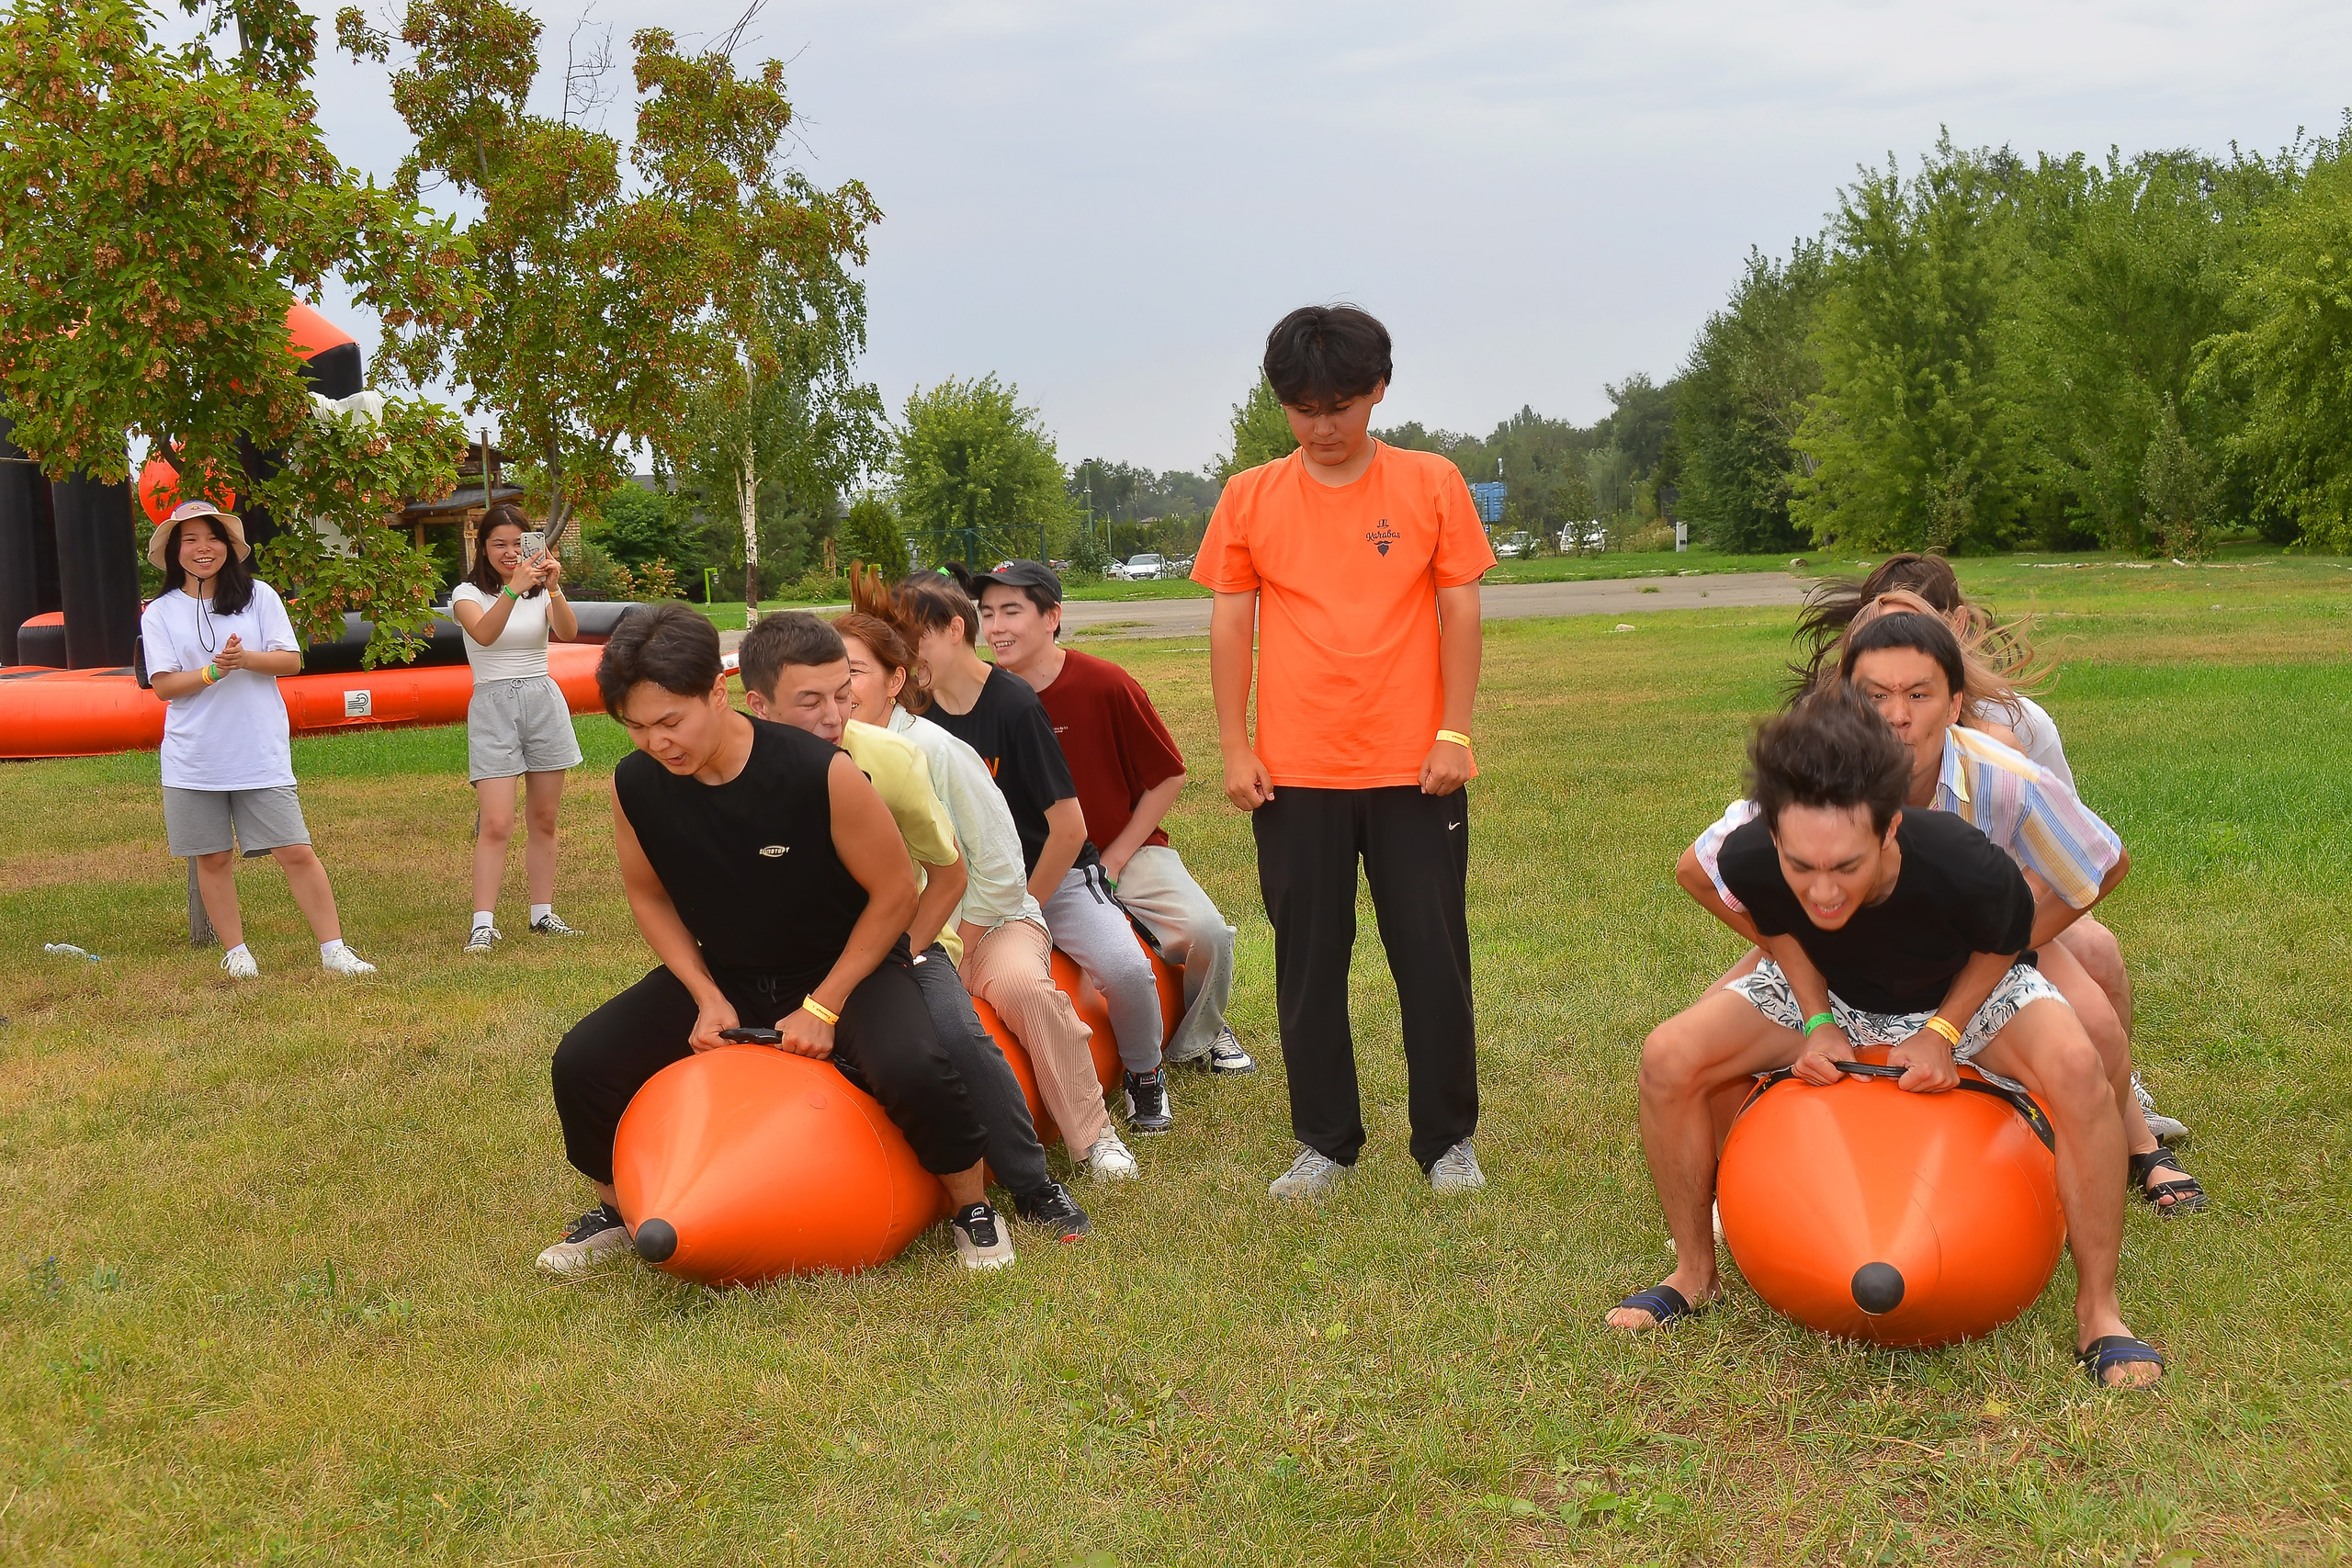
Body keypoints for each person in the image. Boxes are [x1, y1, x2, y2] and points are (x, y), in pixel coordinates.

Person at [1613, 685, 2165, 1390]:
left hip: (1961, 988)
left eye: (1846, 866)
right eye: (1800, 865)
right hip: (1834, 990)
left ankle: (2099, 1312)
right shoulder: (1755, 854)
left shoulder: (1963, 860)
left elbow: (2004, 944)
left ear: (1891, 829)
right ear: (1777, 836)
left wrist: (1943, 1031)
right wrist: (1815, 1018)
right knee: (1668, 1057)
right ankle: (1695, 1273)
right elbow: (1775, 916)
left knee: (2079, 1069)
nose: (1822, 891)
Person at [537, 604, 1011, 1274]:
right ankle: (618, 1210)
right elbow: (648, 894)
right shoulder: (635, 783)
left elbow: (897, 893)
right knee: (583, 1061)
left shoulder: (818, 770)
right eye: (637, 728)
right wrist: (703, 993)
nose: (656, 742)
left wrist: (824, 1004)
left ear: (717, 692)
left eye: (671, 721)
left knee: (913, 1065)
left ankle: (971, 1208)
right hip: (728, 970)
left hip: (848, 965)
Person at [1687, 610, 2204, 1215]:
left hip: (1978, 939)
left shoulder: (2001, 776)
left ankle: (2129, 1150)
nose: (1897, 715)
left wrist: (2012, 943)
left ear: (1954, 703)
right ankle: (1741, 1187)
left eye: (1918, 695)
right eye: (1875, 696)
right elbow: (1701, 870)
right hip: (1843, 937)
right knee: (1700, 1034)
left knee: (2094, 1025)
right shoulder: (1816, 780)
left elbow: (2101, 861)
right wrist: (1804, 949)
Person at [1193, 303, 1493, 1199]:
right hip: (1294, 776)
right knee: (1308, 965)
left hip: (1415, 770)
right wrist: (1234, 746)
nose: (1322, 426)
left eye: (1340, 404)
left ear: (1377, 392)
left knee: (1432, 959)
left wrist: (1454, 731)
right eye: (1303, 407)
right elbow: (1229, 619)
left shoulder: (1430, 482)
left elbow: (1460, 607)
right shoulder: (1250, 495)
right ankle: (1324, 1141)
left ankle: (1448, 1141)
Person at [1795, 556, 2184, 1142]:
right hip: (1861, 920)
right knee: (1739, 999)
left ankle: (2131, 1127)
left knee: (2097, 968)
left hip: (1999, 906)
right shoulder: (1828, 736)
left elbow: (2072, 854)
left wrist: (2003, 939)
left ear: (1954, 632)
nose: (1898, 706)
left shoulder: (2012, 731)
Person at [736, 610, 1092, 1239]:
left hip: (906, 937)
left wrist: (903, 952)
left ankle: (1033, 1183)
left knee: (956, 1035)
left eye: (845, 694)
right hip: (798, 952)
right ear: (758, 704)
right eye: (814, 698)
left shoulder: (892, 757)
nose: (836, 713)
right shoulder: (734, 769)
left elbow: (948, 875)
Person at [834, 605, 1141, 1185]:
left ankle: (1093, 1135)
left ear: (895, 680)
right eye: (828, 675)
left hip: (988, 918)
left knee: (1021, 988)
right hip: (897, 930)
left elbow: (1000, 869)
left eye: (854, 672)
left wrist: (959, 942)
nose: (840, 691)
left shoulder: (937, 750)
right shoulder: (827, 757)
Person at [887, 570, 1170, 1158]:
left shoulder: (1013, 704)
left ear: (951, 631)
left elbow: (1069, 828)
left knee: (1125, 969)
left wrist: (1021, 911)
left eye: (911, 640)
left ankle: (1144, 1073)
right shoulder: (911, 716)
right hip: (958, 890)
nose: (903, 658)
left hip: (1051, 874)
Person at [974, 558, 1255, 1084]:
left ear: (1052, 616)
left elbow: (1168, 775)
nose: (996, 628)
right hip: (1035, 867)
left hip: (1122, 847)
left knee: (1206, 932)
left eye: (1011, 611)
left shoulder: (1103, 683)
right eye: (987, 614)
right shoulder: (977, 697)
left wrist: (1117, 856)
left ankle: (1204, 1031)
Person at [138, 500, 377, 978]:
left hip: (258, 749)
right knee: (213, 856)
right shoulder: (159, 612)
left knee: (294, 849)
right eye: (190, 540)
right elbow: (163, 685)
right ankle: (237, 952)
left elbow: (289, 661)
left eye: (213, 538)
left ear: (230, 546)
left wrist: (244, 659)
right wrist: (211, 671)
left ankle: (334, 949)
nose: (203, 549)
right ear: (173, 552)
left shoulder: (259, 596)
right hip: (193, 756)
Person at [448, 503, 584, 953]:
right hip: (493, 703)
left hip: (542, 699)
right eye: (498, 544)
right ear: (481, 547)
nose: (510, 553)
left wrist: (554, 588)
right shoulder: (466, 593)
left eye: (517, 543)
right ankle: (482, 923)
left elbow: (567, 632)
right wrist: (514, 588)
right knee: (497, 822)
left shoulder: (539, 590)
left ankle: (542, 913)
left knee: (544, 818)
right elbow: (484, 635)